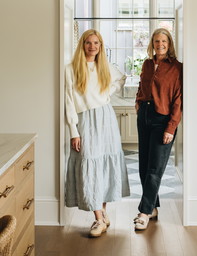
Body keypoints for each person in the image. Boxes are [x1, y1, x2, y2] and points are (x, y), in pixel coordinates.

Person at [65, 29, 130, 238]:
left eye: (96, 43)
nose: (92, 47)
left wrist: (106, 93)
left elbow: (121, 79)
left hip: (106, 118)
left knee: (103, 165)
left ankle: (101, 215)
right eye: (88, 43)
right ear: (82, 44)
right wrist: (73, 131)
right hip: (84, 120)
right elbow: (68, 102)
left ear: (100, 46)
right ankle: (98, 218)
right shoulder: (71, 69)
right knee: (89, 163)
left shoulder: (105, 67)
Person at [134, 28, 182, 230]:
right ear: (152, 43)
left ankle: (144, 212)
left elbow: (179, 99)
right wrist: (137, 101)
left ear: (169, 44)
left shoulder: (177, 67)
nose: (160, 44)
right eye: (156, 41)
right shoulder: (146, 64)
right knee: (144, 166)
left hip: (163, 119)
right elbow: (142, 85)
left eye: (163, 41)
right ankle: (152, 207)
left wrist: (171, 127)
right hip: (144, 116)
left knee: (155, 168)